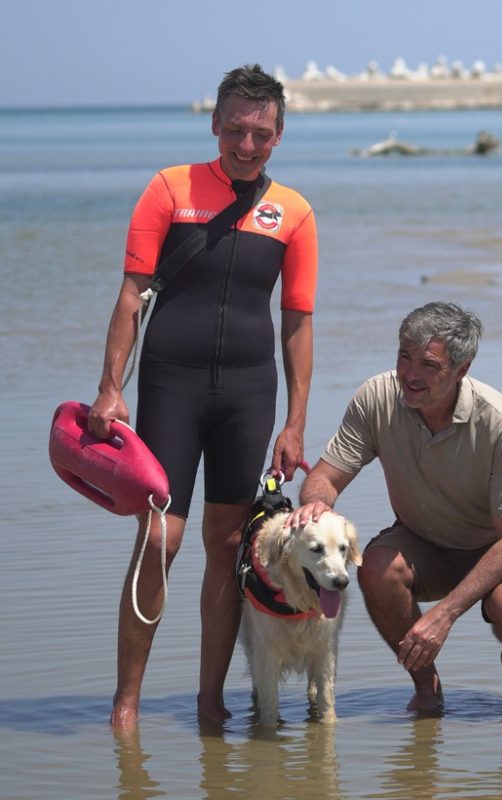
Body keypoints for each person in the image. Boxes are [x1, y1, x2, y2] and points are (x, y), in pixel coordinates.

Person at [88, 64, 318, 729]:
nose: (247, 146)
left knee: (227, 542)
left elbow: (298, 322)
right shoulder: (168, 188)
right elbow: (132, 295)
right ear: (215, 124)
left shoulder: (295, 212)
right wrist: (110, 388)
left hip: (249, 391)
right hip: (171, 382)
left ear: (278, 136)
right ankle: (127, 702)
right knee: (162, 537)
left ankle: (210, 699)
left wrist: (296, 423)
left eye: (262, 134)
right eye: (237, 130)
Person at [288, 301, 502, 713]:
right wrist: (315, 504)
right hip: (423, 540)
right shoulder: (377, 397)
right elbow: (325, 477)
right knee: (374, 566)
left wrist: (444, 615)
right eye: (404, 357)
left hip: (499, 546)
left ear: (462, 370)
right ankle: (426, 686)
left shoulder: (501, 425)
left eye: (429, 365)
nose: (410, 375)